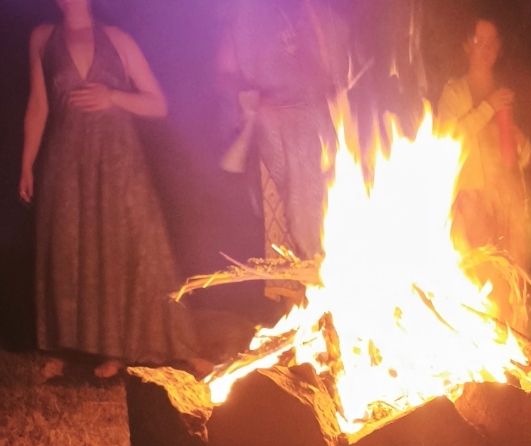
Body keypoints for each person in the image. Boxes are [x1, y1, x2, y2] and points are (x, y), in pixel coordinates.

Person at [20, 0, 200, 380]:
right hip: (66, 160)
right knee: (69, 249)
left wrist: (113, 96)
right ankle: (66, 347)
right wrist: (27, 163)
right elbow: (39, 104)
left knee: (134, 246)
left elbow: (158, 104)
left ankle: (138, 347)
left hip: (118, 160)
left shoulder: (118, 39)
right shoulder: (42, 38)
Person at [216, 0, 348, 289]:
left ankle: (336, 271)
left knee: (332, 188)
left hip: (318, 118)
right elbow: (226, 75)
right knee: (300, 191)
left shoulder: (312, 12)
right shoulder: (247, 14)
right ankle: (312, 270)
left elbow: (331, 68)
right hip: (273, 120)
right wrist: (251, 103)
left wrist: (333, 91)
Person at [436, 15, 531, 329]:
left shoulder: (506, 94)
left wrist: (522, 145)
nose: (486, 48)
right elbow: (447, 139)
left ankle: (510, 354)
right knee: (477, 280)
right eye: (480, 41)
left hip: (507, 203)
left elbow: (521, 159)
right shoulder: (454, 92)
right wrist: (487, 108)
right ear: (467, 46)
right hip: (472, 201)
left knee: (509, 281)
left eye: (493, 42)